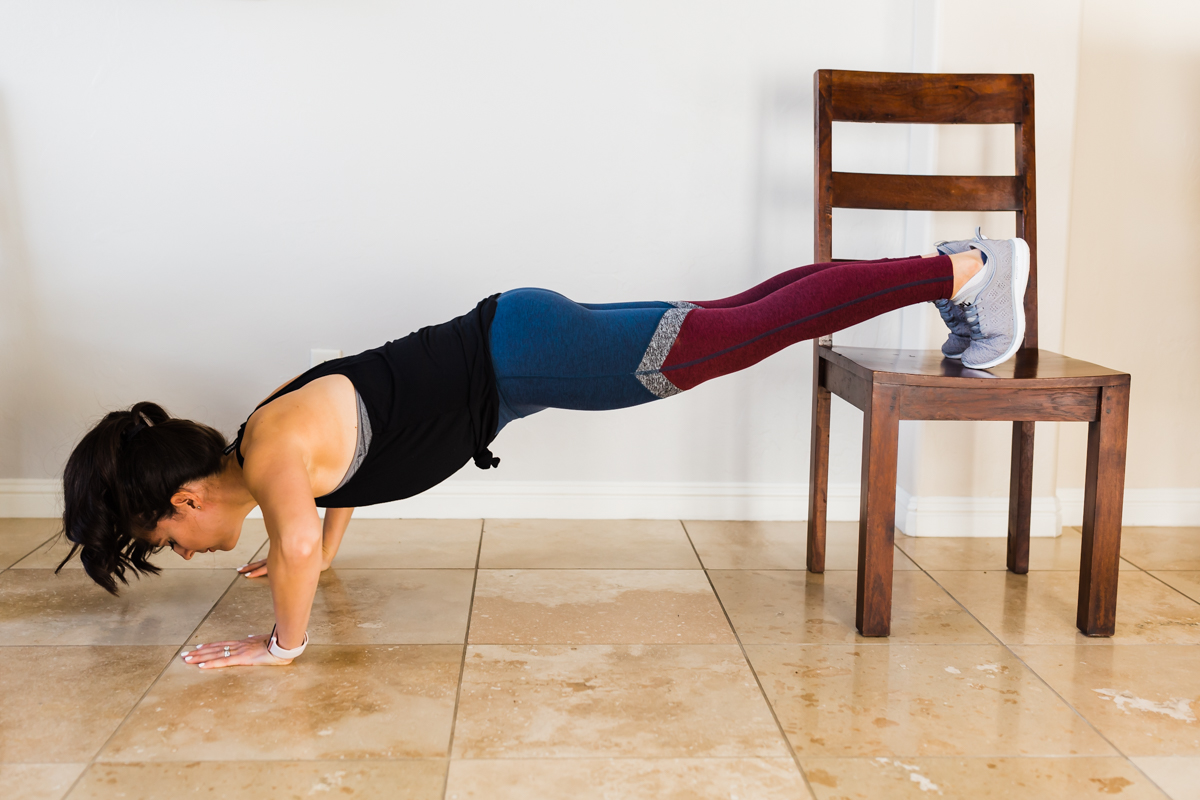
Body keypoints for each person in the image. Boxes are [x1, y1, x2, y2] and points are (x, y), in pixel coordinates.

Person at [57, 229, 1027, 669]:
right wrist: (319, 541)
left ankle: (971, 268)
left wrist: (280, 643)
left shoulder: (269, 459)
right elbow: (342, 476)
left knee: (746, 330)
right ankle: (957, 267)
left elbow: (301, 542)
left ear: (185, 500)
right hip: (518, 335)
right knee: (739, 317)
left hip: (525, 355)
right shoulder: (275, 443)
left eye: (165, 541)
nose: (182, 555)